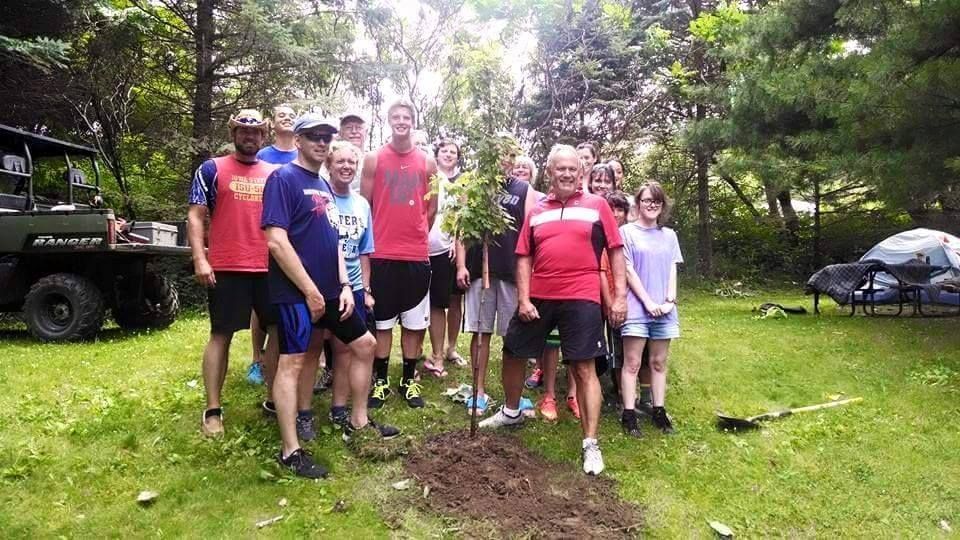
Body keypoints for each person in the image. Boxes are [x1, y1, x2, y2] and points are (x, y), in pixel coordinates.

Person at [262, 114, 399, 479]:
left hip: (330, 291)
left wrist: (342, 286)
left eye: (327, 137)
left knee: (366, 344)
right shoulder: (283, 179)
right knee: (293, 363)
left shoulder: (321, 184)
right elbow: (276, 240)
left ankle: (358, 420)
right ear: (299, 139)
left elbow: (334, 242)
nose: (322, 143)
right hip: (295, 293)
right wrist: (308, 290)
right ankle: (291, 451)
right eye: (314, 137)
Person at [480, 144, 627, 476]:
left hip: (582, 295)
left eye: (572, 169)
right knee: (513, 350)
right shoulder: (537, 210)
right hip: (540, 294)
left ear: (581, 173)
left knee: (583, 367)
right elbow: (524, 256)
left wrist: (619, 298)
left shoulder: (597, 205)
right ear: (549, 172)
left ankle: (590, 444)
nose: (566, 174)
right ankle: (512, 411)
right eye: (560, 168)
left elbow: (616, 250)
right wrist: (523, 298)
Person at [187, 109, 280, 437]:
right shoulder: (211, 169)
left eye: (255, 132)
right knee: (220, 335)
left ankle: (273, 399)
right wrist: (201, 258)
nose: (249, 136)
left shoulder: (276, 173)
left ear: (264, 136)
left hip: (270, 268)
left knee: (278, 333)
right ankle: (213, 410)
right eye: (243, 131)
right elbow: (196, 216)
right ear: (233, 133)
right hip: (226, 266)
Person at [361, 99, 439, 409]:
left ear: (413, 121)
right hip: (382, 254)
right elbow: (365, 205)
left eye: (407, 116)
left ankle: (409, 380)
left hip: (416, 255)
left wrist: (416, 232)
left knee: (414, 323)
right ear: (388, 120)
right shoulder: (374, 159)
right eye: (396, 116)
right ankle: (380, 381)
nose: (401, 121)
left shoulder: (427, 162)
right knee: (382, 322)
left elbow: (431, 209)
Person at [456, 136, 538, 414]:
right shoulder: (474, 186)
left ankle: (513, 396)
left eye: (510, 154)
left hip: (512, 272)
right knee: (481, 332)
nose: (505, 159)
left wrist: (530, 269)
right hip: (481, 271)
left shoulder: (523, 189)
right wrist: (462, 265)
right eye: (498, 152)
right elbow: (462, 228)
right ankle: (478, 392)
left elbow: (530, 231)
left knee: (513, 336)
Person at [323, 140, 382, 432]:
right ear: (329, 165)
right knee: (311, 351)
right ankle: (303, 413)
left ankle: (339, 408)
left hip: (355, 287)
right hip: (324, 285)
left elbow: (364, 252)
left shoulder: (362, 204)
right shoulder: (320, 196)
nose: (346, 167)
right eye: (340, 162)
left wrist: (366, 290)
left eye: (351, 163)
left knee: (347, 349)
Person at [619, 182, 682, 436]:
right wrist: (648, 303)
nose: (652, 205)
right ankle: (629, 414)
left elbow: (672, 267)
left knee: (658, 362)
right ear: (638, 203)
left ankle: (659, 411)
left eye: (656, 201)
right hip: (637, 308)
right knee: (632, 363)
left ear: (662, 205)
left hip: (664, 310)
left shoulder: (669, 235)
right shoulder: (627, 232)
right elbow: (628, 270)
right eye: (647, 200)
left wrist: (670, 299)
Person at [247, 104, 298, 387]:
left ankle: (286, 357)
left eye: (291, 114)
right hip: (265, 235)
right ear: (273, 124)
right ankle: (257, 359)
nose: (287, 118)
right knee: (261, 304)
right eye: (281, 115)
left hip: (295, 236)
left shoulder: (301, 155)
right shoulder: (263, 156)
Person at [424, 138, 466, 377]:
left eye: (453, 152)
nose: (449, 155)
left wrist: (456, 242)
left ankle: (450, 348)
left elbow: (463, 217)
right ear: (437, 154)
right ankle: (434, 353)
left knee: (452, 301)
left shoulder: (462, 182)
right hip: (426, 248)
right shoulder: (429, 177)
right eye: (445, 151)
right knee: (434, 302)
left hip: (450, 249)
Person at [600, 191, 630, 411]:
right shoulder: (602, 236)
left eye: (620, 209)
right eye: (611, 209)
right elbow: (601, 272)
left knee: (625, 349)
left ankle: (627, 392)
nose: (616, 214)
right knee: (612, 350)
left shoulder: (630, 236)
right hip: (607, 301)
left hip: (630, 302)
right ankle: (617, 390)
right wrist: (610, 302)